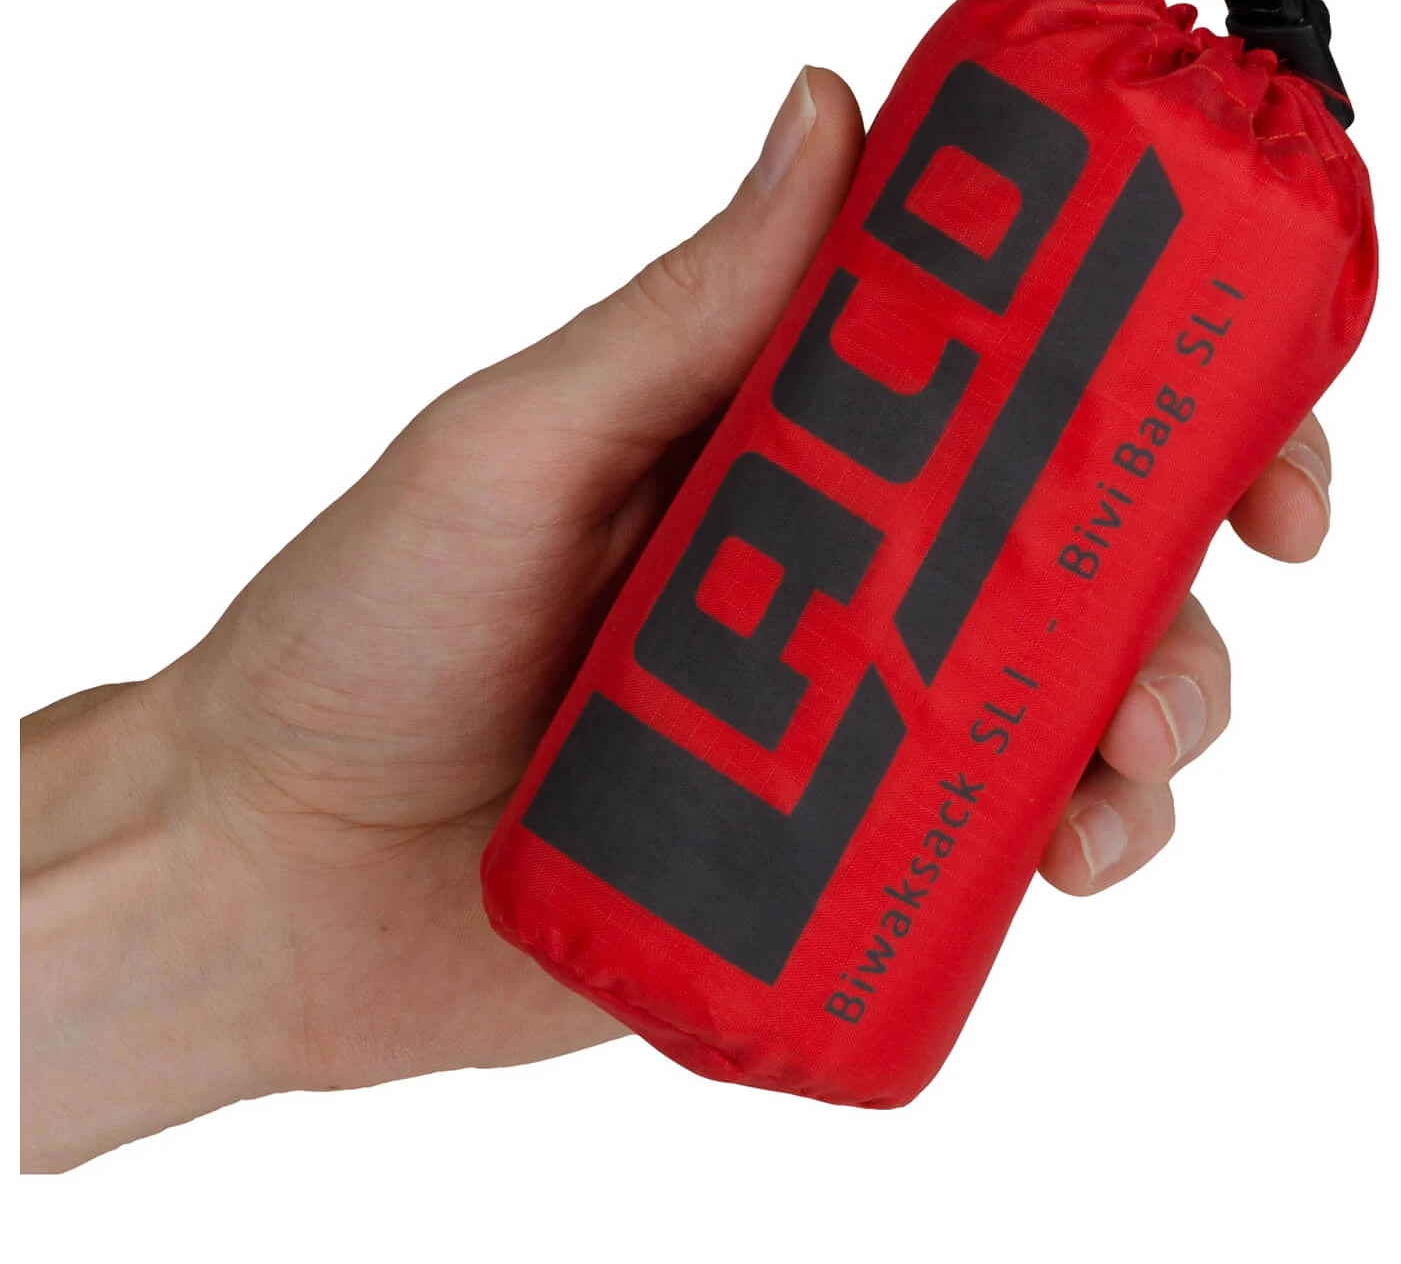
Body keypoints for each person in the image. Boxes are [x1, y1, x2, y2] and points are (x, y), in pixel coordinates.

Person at [20, 67, 1335, 1172]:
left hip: (623, 861)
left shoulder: (1082, 96)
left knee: (1076, 579)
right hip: (643, 834)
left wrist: (246, 856)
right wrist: (250, 828)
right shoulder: (1124, 120)